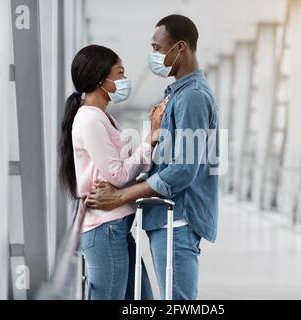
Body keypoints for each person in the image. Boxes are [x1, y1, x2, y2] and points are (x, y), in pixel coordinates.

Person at [86, 15, 220, 300]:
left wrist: (122, 196)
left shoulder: (192, 97)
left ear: (180, 47)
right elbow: (167, 162)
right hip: (166, 218)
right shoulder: (176, 94)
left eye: (158, 49)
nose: (154, 56)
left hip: (178, 220)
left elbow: (182, 170)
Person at [58, 44, 166, 300]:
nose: (124, 80)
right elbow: (117, 175)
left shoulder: (104, 118)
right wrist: (150, 139)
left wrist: (140, 174)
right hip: (104, 229)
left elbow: (124, 172)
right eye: (119, 73)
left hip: (116, 228)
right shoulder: (90, 119)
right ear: (100, 78)